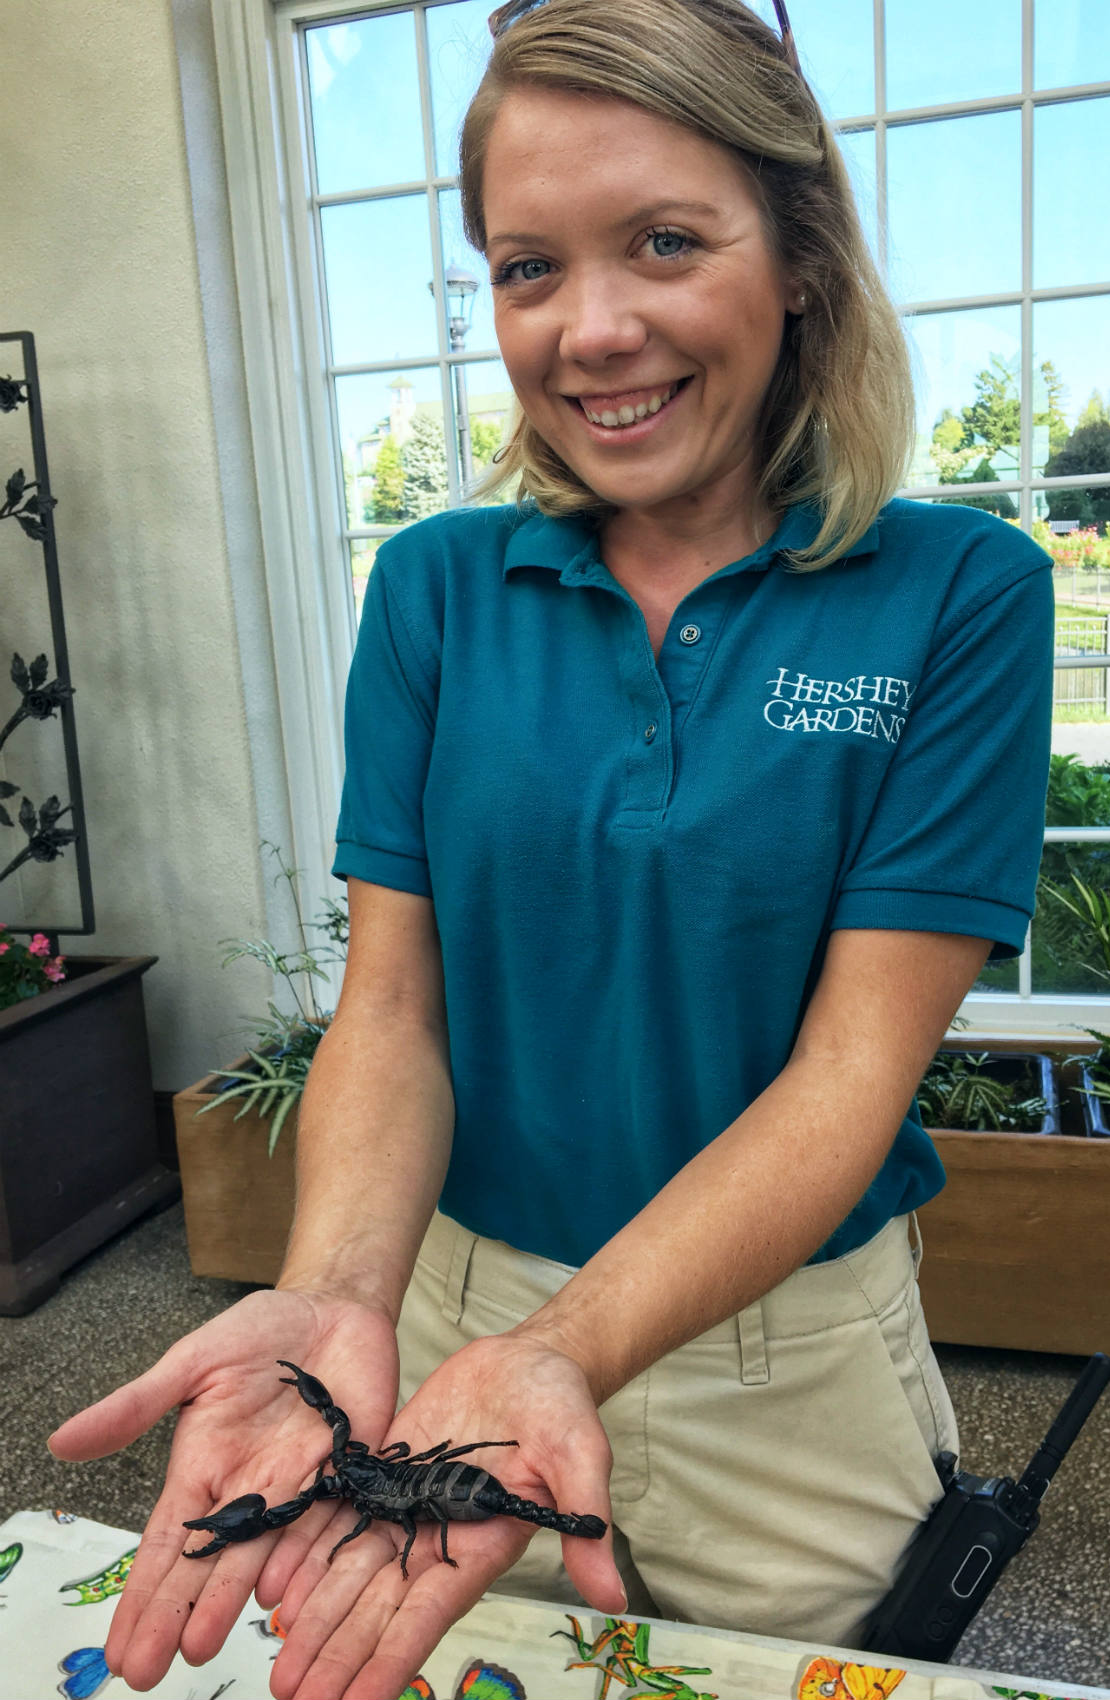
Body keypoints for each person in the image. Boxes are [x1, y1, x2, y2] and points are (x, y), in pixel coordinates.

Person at [48, 2, 1055, 1697]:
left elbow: (848, 1077)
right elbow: (394, 1014)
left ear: (798, 255)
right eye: (527, 267)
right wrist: (332, 1302)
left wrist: (563, 1354)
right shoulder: (436, 593)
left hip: (790, 1357)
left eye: (665, 242)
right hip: (444, 1323)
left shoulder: (959, 593)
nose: (592, 330)